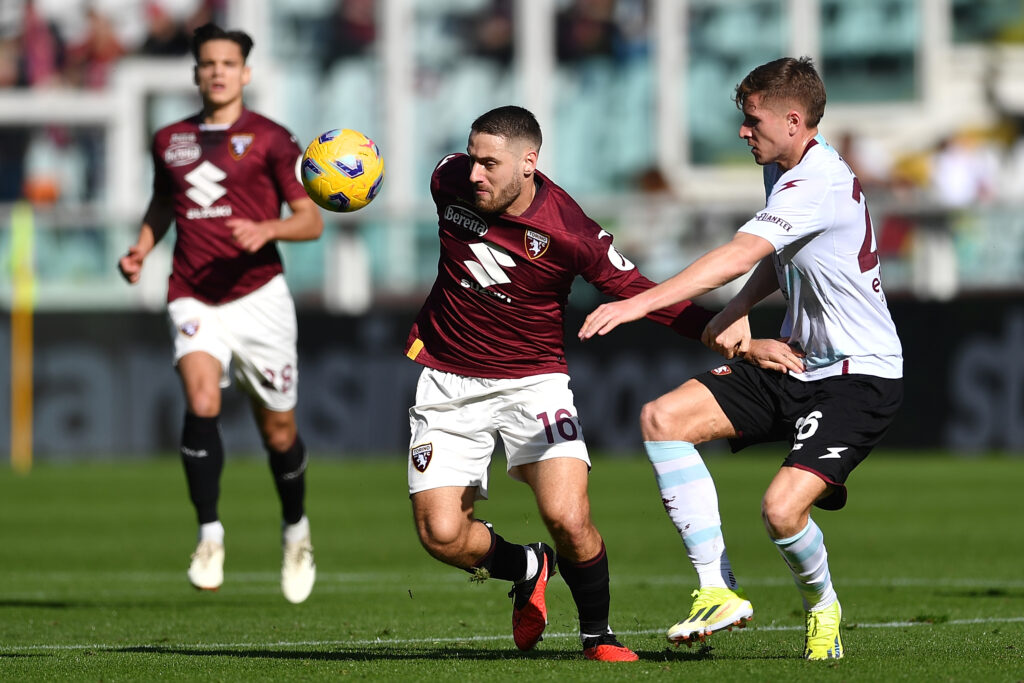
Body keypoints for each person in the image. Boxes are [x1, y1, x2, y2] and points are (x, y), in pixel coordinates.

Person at [404, 105, 791, 662]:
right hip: (446, 380)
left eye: (490, 163)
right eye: (472, 158)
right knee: (441, 535)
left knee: (567, 516)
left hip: (532, 383)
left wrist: (725, 333)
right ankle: (527, 566)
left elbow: (639, 291)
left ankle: (598, 638)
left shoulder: (571, 233)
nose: (475, 174)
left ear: (529, 163)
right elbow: (451, 173)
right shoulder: (449, 180)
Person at [578, 57, 903, 660]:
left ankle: (823, 605)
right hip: (796, 360)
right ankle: (716, 588)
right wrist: (735, 311)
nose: (742, 131)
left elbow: (736, 253)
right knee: (662, 419)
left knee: (780, 512)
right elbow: (777, 259)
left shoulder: (815, 181)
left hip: (860, 375)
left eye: (752, 120)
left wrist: (637, 303)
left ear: (793, 119)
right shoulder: (784, 168)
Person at [118, 22, 324, 604]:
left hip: (260, 298)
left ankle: (296, 530)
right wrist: (140, 248)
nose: (217, 71)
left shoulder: (272, 139)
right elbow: (163, 203)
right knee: (202, 400)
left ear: (245, 73)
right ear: (196, 72)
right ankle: (210, 534)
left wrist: (270, 228)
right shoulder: (169, 140)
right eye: (207, 63)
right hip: (192, 290)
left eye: (228, 63)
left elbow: (310, 220)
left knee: (278, 431)